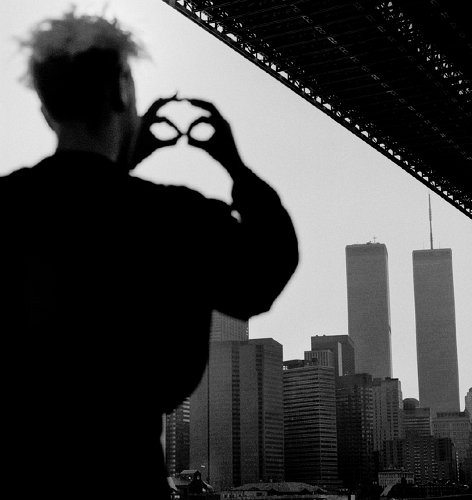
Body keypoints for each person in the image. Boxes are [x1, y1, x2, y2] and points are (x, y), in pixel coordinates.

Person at [0, 10, 298, 499]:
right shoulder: (176, 218)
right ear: (122, 92)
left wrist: (125, 164)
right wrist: (235, 166)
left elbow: (85, 208)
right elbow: (266, 272)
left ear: (47, 111)